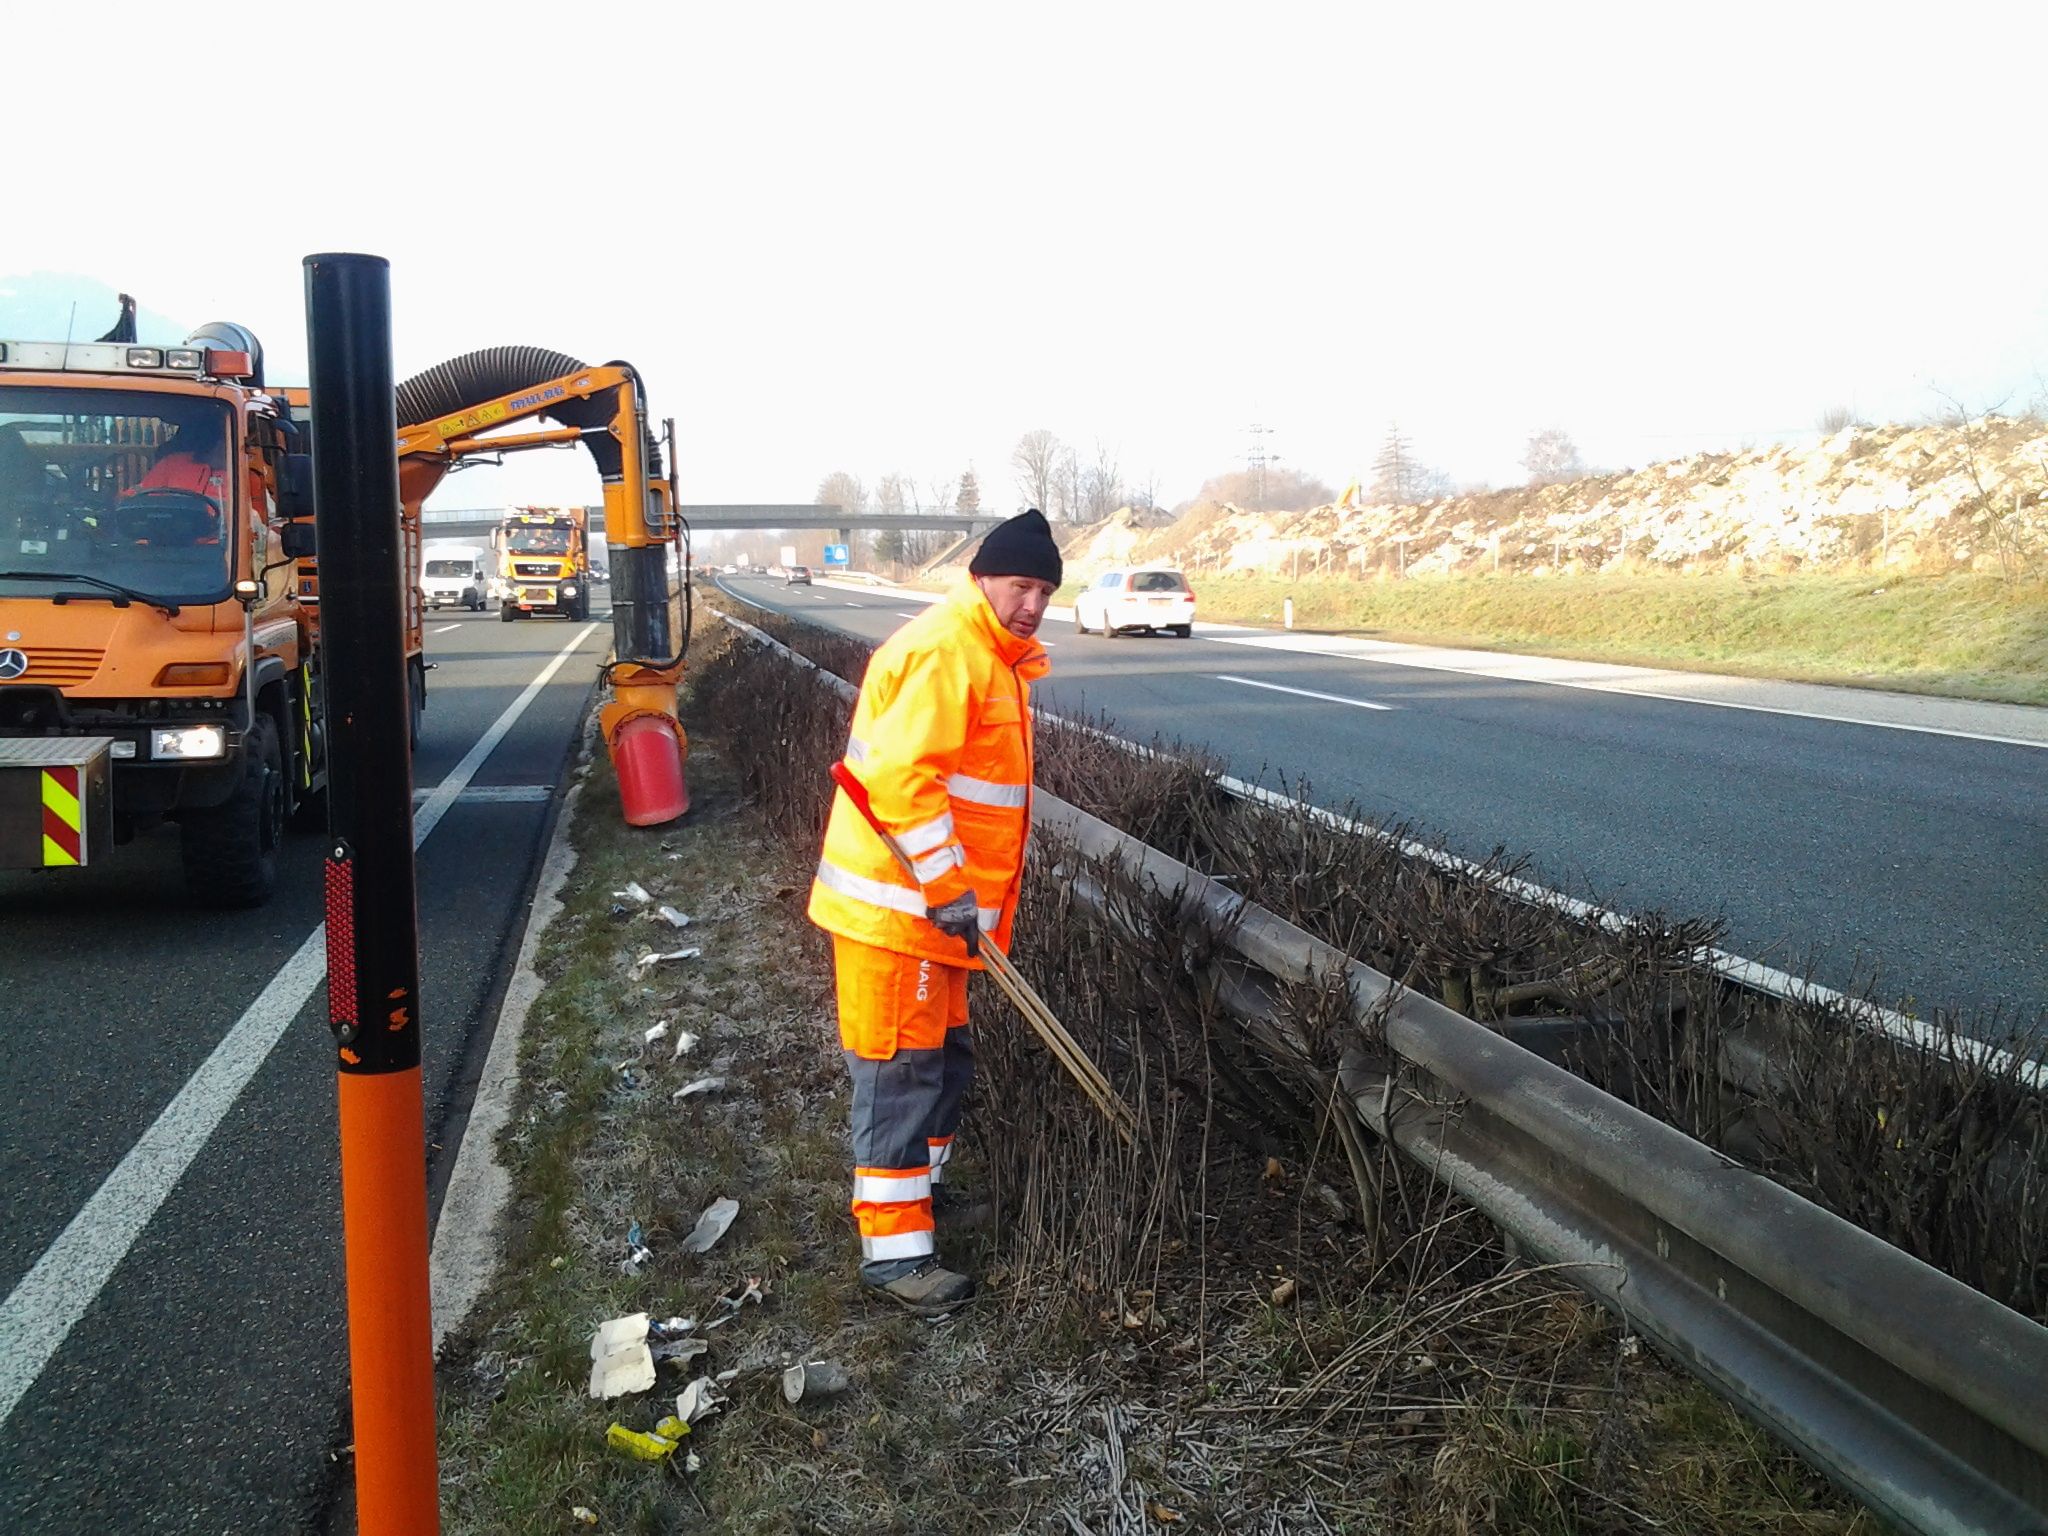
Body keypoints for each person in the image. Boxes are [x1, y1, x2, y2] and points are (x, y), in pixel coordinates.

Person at [807, 508, 1061, 1313]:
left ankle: (922, 1199)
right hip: (901, 916)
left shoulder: (991, 658)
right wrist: (950, 888)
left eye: (1045, 590)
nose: (1032, 604)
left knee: (944, 1066)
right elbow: (901, 782)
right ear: (983, 578)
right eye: (1021, 585)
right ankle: (894, 1257)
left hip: (936, 918)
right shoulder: (951, 652)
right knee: (900, 1076)